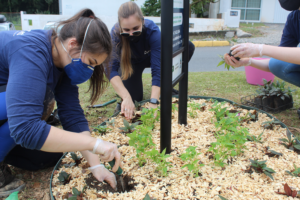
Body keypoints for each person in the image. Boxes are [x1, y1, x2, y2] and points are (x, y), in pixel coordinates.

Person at [0, 9, 122, 197]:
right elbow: (25, 128)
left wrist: (96, 164)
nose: (90, 71)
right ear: (73, 43)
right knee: (37, 107)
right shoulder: (31, 52)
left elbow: (72, 116)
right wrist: (95, 143)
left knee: (46, 156)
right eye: (90, 62)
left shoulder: (63, 59)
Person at [109, 2, 195, 119]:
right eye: (126, 30)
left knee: (188, 46)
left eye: (135, 29)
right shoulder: (114, 34)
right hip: (132, 63)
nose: (131, 34)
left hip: (150, 57)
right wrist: (126, 97)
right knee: (135, 99)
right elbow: (110, 69)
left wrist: (154, 101)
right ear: (120, 26)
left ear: (142, 21)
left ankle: (166, 87)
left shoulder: (152, 31)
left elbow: (157, 68)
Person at [224, 0, 300, 89]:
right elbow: (278, 63)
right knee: (276, 64)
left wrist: (260, 49)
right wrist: (248, 61)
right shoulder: (294, 18)